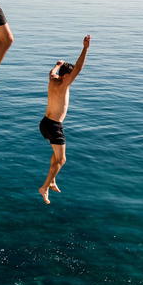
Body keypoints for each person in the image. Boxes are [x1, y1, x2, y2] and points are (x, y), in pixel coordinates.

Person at [38, 34, 91, 205]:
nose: (74, 78)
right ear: (67, 76)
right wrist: (85, 48)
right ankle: (44, 187)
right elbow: (79, 69)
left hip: (45, 123)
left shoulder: (53, 80)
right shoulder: (64, 84)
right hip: (54, 126)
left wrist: (57, 65)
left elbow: (51, 72)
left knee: (56, 157)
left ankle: (52, 180)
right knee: (62, 160)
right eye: (71, 75)